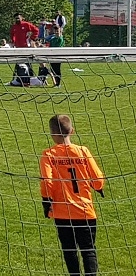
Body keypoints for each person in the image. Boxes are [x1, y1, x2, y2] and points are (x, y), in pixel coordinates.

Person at [40, 114, 105, 276]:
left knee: (69, 251)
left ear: (52, 134)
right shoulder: (83, 151)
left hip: (62, 212)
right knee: (88, 250)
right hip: (85, 211)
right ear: (72, 131)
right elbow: (98, 180)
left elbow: (47, 181)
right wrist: (97, 187)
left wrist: (46, 201)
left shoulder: (49, 155)